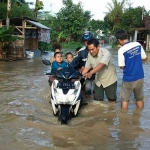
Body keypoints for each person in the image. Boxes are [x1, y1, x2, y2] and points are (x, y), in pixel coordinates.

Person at [115, 29, 147, 109]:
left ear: (119, 40)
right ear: (126, 36)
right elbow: (144, 58)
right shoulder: (137, 44)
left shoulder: (121, 50)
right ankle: (138, 116)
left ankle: (124, 119)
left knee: (125, 100)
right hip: (140, 76)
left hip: (129, 78)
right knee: (139, 98)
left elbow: (121, 66)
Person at [82, 38, 117, 103]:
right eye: (89, 50)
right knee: (97, 101)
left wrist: (91, 73)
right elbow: (86, 68)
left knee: (112, 100)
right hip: (98, 80)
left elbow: (101, 65)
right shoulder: (89, 54)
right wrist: (78, 76)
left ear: (98, 47)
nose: (91, 51)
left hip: (109, 80)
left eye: (92, 49)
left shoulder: (106, 53)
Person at [69, 31, 95, 100]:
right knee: (87, 92)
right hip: (87, 76)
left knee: (97, 95)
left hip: (98, 75)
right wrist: (67, 68)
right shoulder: (81, 51)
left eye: (88, 41)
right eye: (85, 41)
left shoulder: (98, 49)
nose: (86, 43)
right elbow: (75, 61)